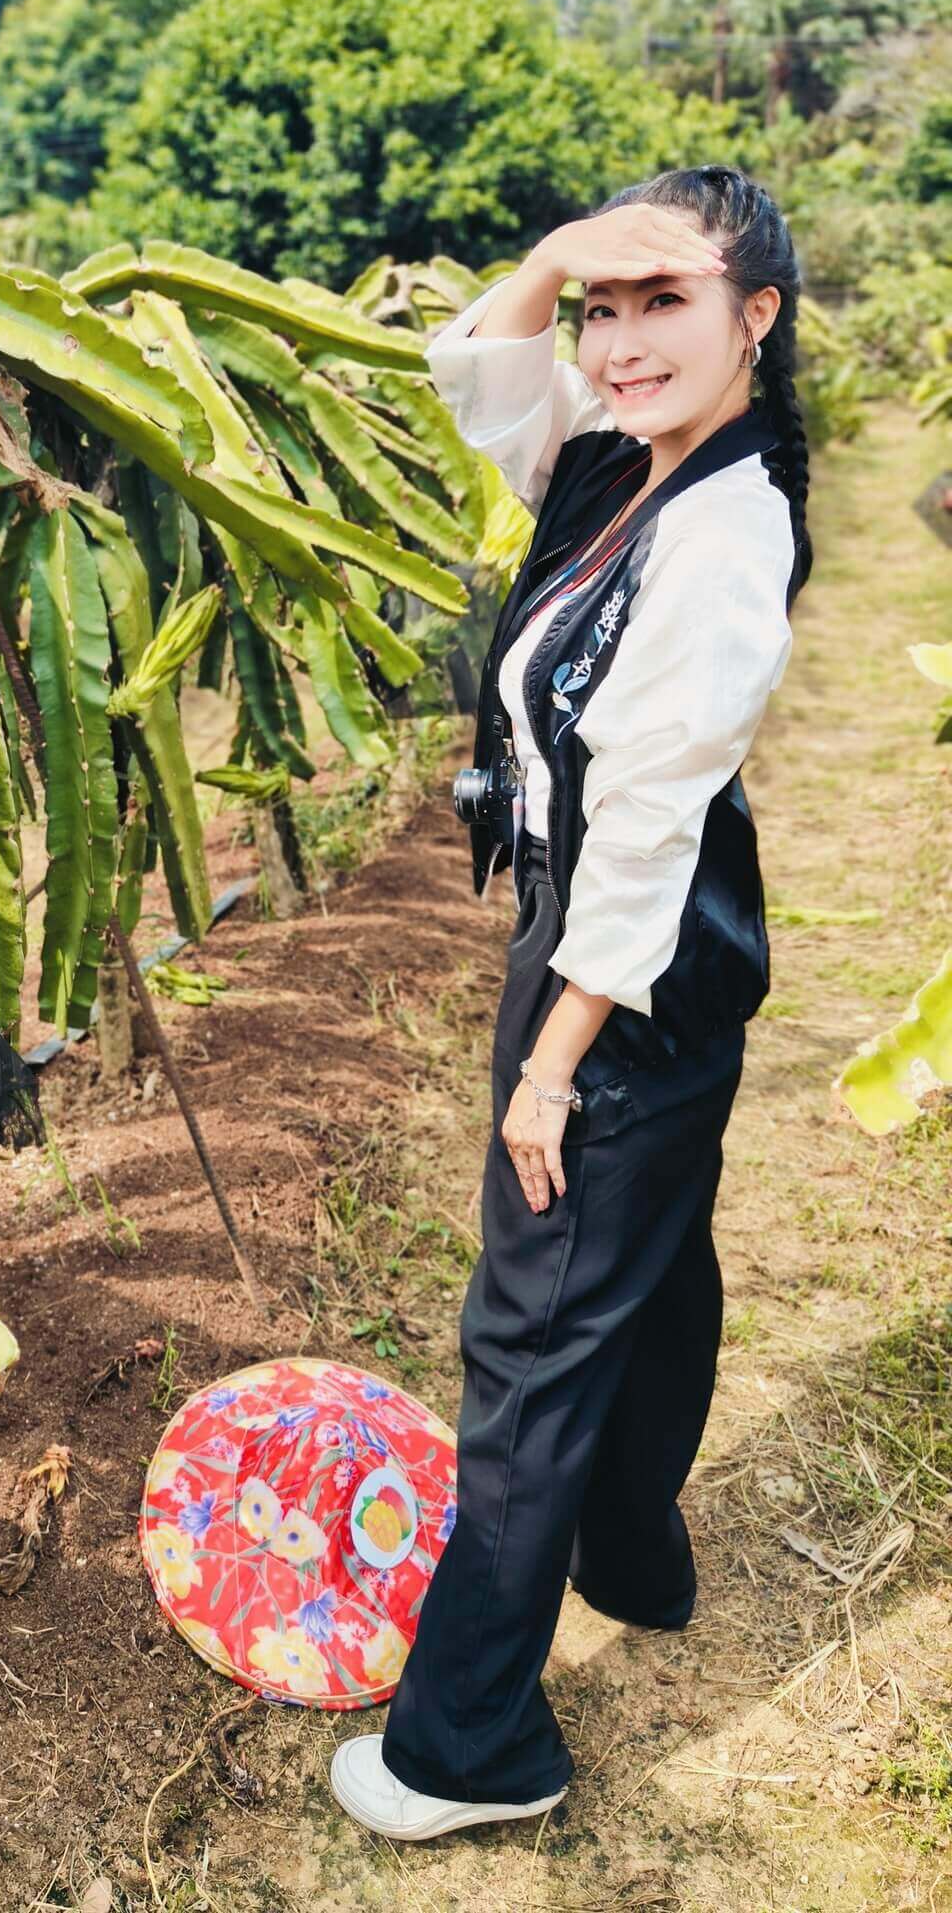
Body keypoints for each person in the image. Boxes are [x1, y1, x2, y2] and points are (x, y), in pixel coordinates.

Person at [328, 164, 813, 1839]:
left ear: (759, 314)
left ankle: (470, 1747)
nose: (616, 340)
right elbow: (479, 371)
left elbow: (653, 829)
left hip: (635, 951)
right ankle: (634, 1553)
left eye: (663, 299)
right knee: (648, 1259)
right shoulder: (623, 463)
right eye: (606, 309)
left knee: (531, 1329)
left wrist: (550, 1063)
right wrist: (556, 258)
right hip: (640, 930)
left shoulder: (727, 528)